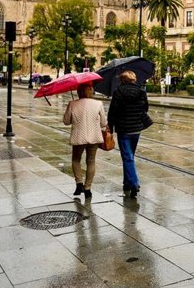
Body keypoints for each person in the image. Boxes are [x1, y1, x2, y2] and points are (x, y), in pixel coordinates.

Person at [107, 70, 149, 198]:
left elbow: (112, 111)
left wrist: (111, 127)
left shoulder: (118, 92)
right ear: (134, 79)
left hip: (124, 128)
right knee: (129, 156)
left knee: (127, 157)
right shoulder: (141, 91)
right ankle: (127, 183)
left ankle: (134, 183)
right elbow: (145, 108)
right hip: (136, 129)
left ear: (122, 80)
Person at [63, 84, 107, 198]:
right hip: (94, 137)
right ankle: (88, 188)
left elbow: (66, 121)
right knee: (91, 161)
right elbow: (103, 123)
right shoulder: (98, 104)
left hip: (79, 137)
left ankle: (79, 183)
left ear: (79, 92)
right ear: (91, 91)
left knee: (76, 160)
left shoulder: (72, 104)